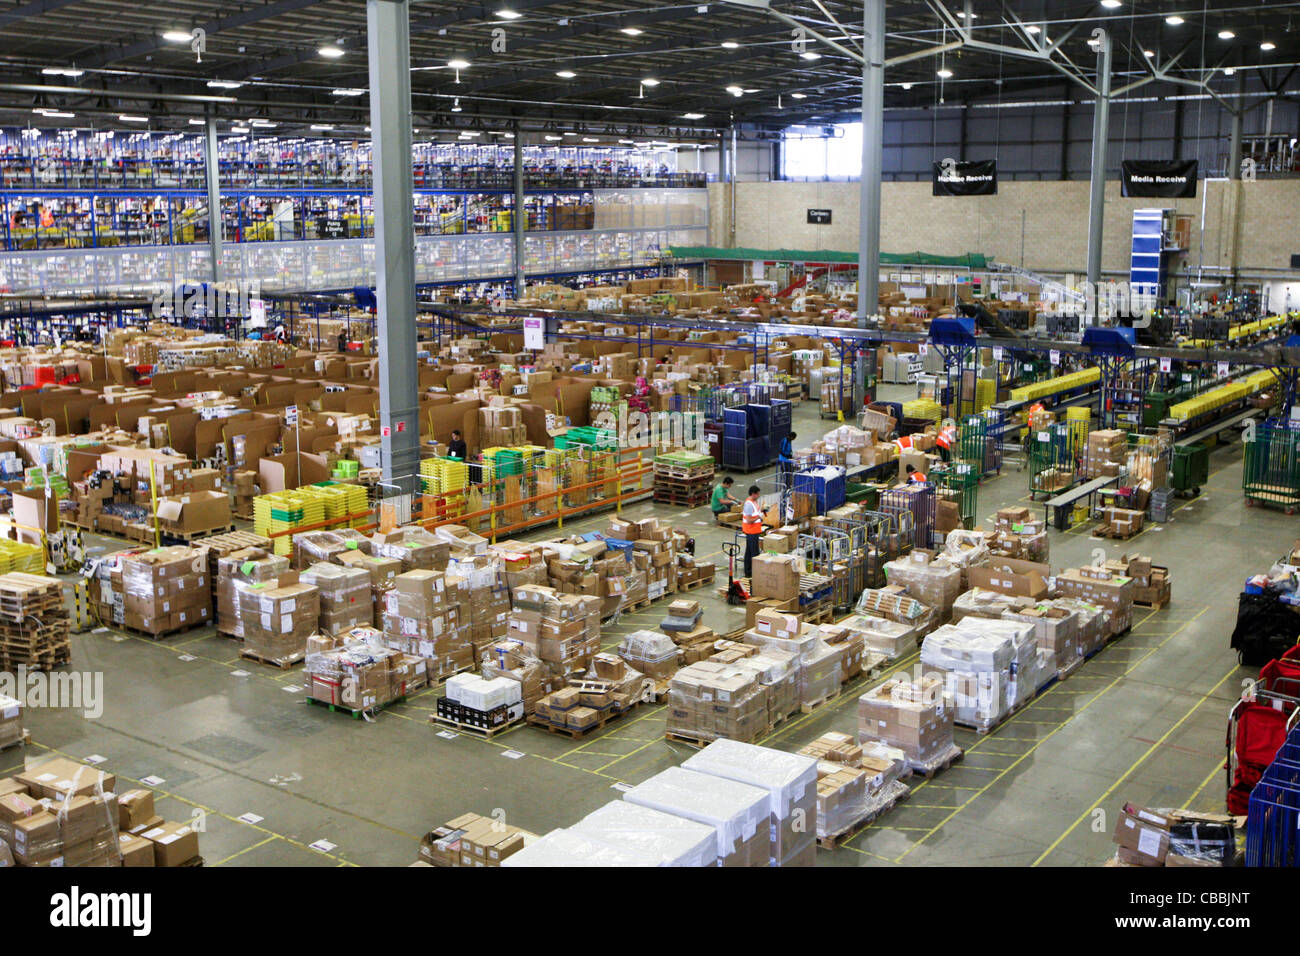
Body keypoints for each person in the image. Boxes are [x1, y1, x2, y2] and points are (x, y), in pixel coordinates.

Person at [741, 484, 766, 579]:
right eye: (758, 494)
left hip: (755, 530)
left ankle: (748, 571)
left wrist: (762, 513)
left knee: (748, 552)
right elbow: (748, 520)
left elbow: (756, 514)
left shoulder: (754, 502)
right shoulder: (748, 504)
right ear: (753, 494)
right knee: (754, 553)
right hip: (751, 532)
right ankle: (754, 573)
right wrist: (758, 517)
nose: (759, 495)